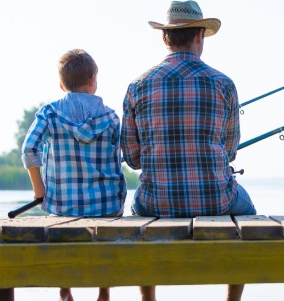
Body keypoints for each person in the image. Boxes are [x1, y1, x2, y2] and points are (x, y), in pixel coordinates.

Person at [121, 1, 256, 300]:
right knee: (250, 213)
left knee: (135, 209)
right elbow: (230, 150)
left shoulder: (137, 86)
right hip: (217, 200)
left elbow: (132, 158)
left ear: (164, 37)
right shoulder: (224, 84)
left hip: (156, 202)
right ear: (200, 37)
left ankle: (148, 298)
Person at [21, 49, 126, 301]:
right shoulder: (111, 117)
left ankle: (65, 290)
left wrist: (39, 190)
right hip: (107, 205)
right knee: (105, 234)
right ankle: (104, 292)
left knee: (61, 233)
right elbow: (117, 160)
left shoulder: (49, 114)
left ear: (61, 85)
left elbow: (28, 149)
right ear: (93, 80)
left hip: (62, 206)